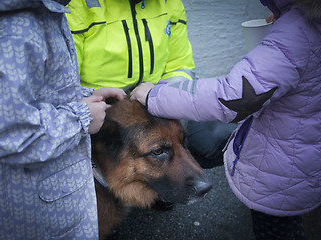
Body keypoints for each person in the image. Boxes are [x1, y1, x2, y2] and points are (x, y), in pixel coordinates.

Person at [130, 0, 321, 239]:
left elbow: (233, 96)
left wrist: (155, 95)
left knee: (277, 229)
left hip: (283, 166)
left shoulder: (297, 31)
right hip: (304, 149)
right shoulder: (305, 23)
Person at [0, 0, 125, 239]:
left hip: (45, 202)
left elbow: (37, 91)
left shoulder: (42, 13)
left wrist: (84, 97)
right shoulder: (15, 29)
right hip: (29, 214)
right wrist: (80, 118)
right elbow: (6, 133)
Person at [64, 0, 236, 172]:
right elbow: (62, 84)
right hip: (105, 115)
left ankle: (166, 191)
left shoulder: (170, 3)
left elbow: (179, 64)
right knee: (127, 161)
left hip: (158, 103)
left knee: (217, 135)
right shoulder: (76, 5)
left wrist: (163, 98)